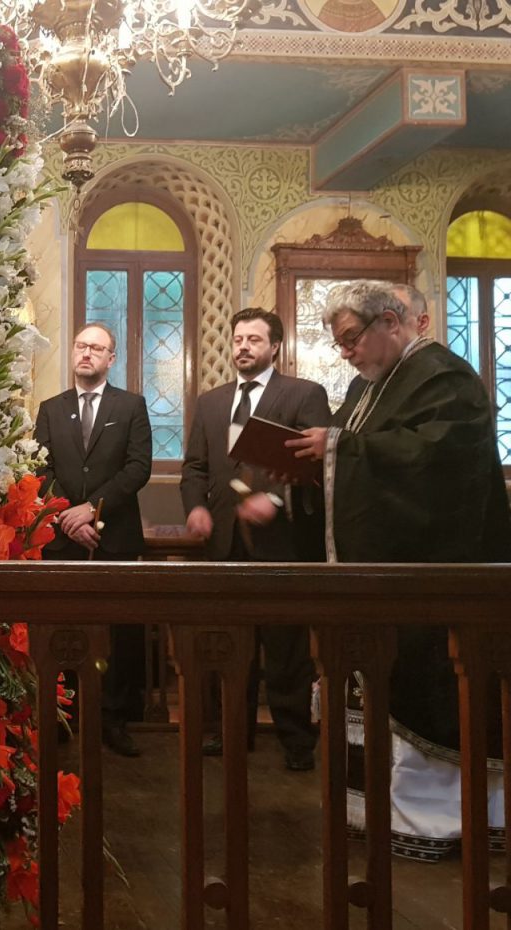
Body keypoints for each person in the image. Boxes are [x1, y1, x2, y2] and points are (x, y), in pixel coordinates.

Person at [288, 279, 511, 859]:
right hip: (384, 585)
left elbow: (436, 465)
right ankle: (383, 816)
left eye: (351, 339)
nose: (346, 353)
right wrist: (312, 467)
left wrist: (338, 450)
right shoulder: (370, 387)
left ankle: (439, 826)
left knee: (434, 694)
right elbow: (348, 452)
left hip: (435, 581)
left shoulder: (444, 377)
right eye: (339, 344)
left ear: (390, 321)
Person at [181, 307, 331, 771]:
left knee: (286, 652)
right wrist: (196, 507)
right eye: (238, 339)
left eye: (254, 339)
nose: (243, 347)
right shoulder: (211, 402)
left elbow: (318, 466)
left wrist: (277, 500)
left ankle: (297, 743)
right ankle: (231, 734)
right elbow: (195, 467)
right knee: (229, 646)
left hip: (283, 544)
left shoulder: (303, 394)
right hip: (224, 543)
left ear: (275, 346)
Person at [35, 322, 153, 757]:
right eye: (81, 346)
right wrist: (69, 516)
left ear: (111, 359)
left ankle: (114, 720)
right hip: (61, 539)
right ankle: (62, 714)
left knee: (119, 633)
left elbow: (138, 467)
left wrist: (92, 509)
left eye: (96, 348)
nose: (86, 353)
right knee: (62, 628)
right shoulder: (51, 408)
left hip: (115, 537)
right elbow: (40, 469)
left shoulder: (131, 406)